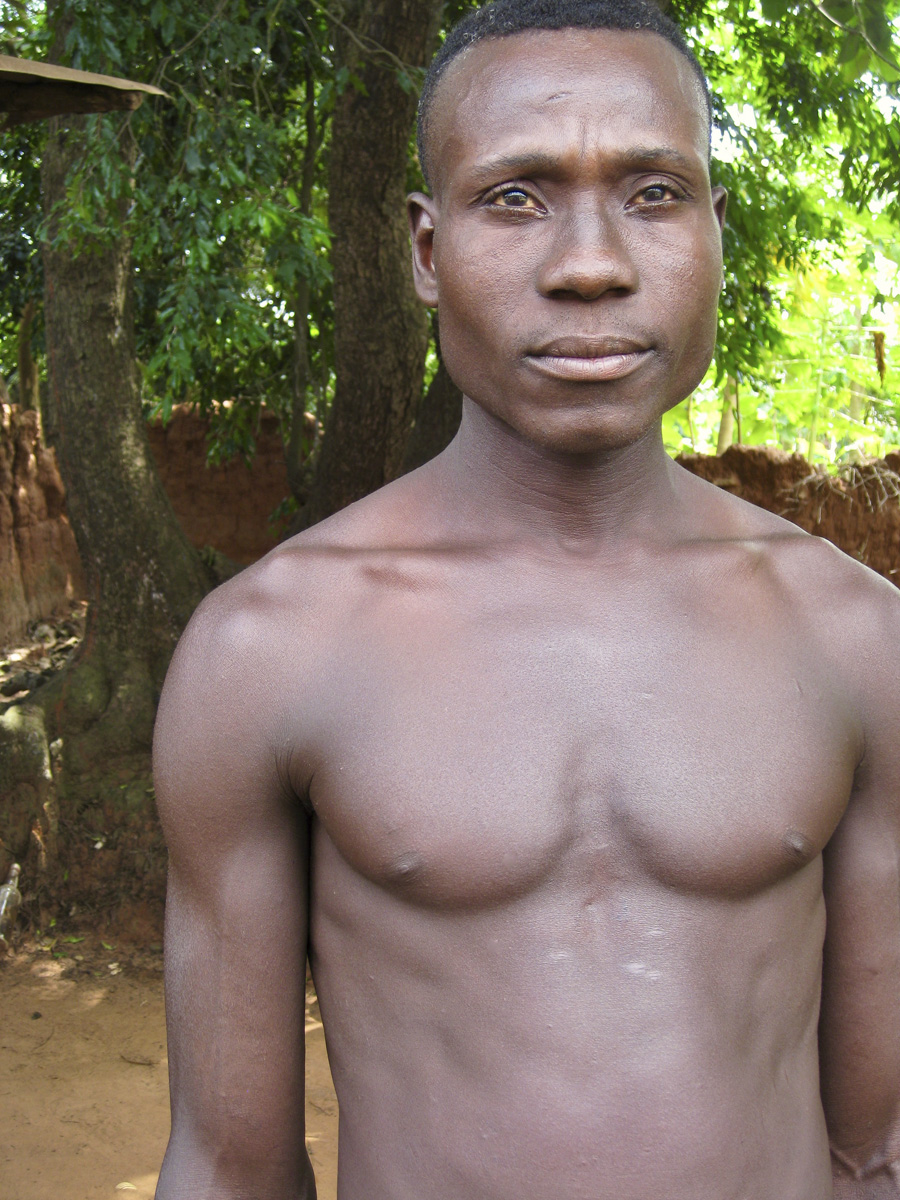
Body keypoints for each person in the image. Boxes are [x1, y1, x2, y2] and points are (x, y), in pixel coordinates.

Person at [152, 0, 900, 1196]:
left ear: (718, 229)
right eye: (516, 195)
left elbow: (878, 1152)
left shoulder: (858, 641)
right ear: (426, 250)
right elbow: (232, 1167)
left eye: (654, 192)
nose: (591, 265)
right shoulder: (269, 651)